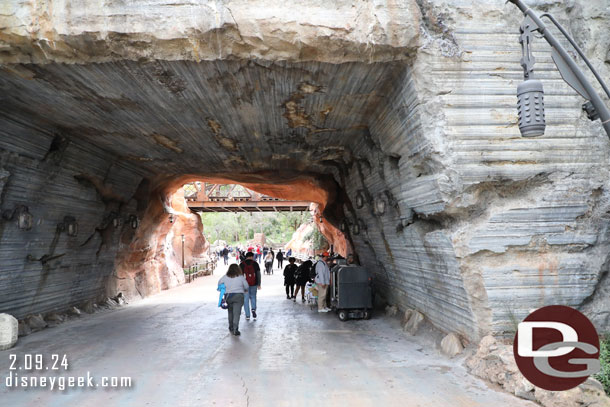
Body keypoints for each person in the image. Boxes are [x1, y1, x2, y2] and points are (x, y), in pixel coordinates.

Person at [218, 264, 248, 336]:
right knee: (236, 313)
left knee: (230, 312)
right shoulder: (241, 277)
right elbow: (246, 286)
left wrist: (224, 289)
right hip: (238, 296)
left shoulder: (224, 277)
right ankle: (235, 329)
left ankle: (231, 327)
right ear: (238, 269)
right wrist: (245, 290)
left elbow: (219, 284)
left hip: (228, 296)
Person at [240, 252, 261, 321]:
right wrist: (259, 284)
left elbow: (239, 276)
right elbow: (258, 274)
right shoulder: (255, 264)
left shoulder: (242, 264)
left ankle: (247, 315)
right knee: (253, 297)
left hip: (244, 285)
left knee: (245, 299)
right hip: (254, 284)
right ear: (252, 256)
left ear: (246, 257)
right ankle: (253, 309)